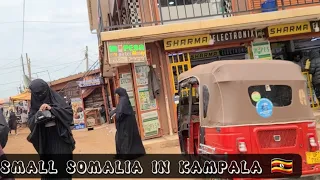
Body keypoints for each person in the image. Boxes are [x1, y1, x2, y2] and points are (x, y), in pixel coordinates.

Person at [27, 79, 75, 179]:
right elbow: (30, 122)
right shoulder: (34, 106)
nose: (40, 96)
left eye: (42, 93)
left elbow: (69, 114)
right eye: (37, 94)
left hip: (60, 139)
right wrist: (38, 114)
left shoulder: (58, 99)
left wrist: (51, 109)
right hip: (45, 142)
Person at [110, 87, 145, 160]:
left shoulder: (123, 100)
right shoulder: (124, 99)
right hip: (129, 124)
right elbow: (120, 110)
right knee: (131, 138)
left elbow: (121, 113)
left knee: (124, 139)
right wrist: (114, 112)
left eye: (117, 94)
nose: (116, 96)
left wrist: (115, 115)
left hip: (125, 125)